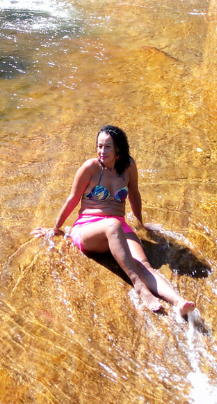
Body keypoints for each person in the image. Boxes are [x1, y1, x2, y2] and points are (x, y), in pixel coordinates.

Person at [34, 125, 196, 317]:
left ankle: (178, 302)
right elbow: (72, 199)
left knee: (144, 264)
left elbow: (135, 195)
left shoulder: (128, 167)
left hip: (118, 226)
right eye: (99, 146)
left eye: (107, 147)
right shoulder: (90, 168)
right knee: (113, 224)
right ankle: (139, 287)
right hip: (88, 229)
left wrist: (141, 224)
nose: (102, 151)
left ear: (118, 148)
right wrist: (55, 228)